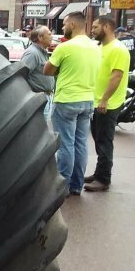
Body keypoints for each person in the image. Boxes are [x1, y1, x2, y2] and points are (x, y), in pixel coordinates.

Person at [44, 12, 101, 196]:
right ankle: (76, 185)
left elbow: (48, 70)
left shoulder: (65, 47)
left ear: (74, 25)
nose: (63, 27)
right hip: (87, 100)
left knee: (66, 144)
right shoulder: (95, 47)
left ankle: (62, 187)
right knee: (81, 143)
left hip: (67, 99)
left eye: (65, 23)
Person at [84, 16, 131, 192]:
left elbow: (116, 76)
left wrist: (105, 99)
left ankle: (103, 179)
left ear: (107, 27)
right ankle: (98, 173)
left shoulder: (118, 49)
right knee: (98, 138)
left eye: (95, 27)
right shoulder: (101, 47)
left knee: (104, 140)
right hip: (96, 101)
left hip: (109, 103)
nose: (92, 30)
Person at [21, 25, 55, 119]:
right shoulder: (32, 53)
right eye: (49, 34)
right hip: (38, 99)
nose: (52, 36)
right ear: (40, 37)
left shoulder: (42, 52)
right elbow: (21, 75)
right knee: (40, 130)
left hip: (46, 97)